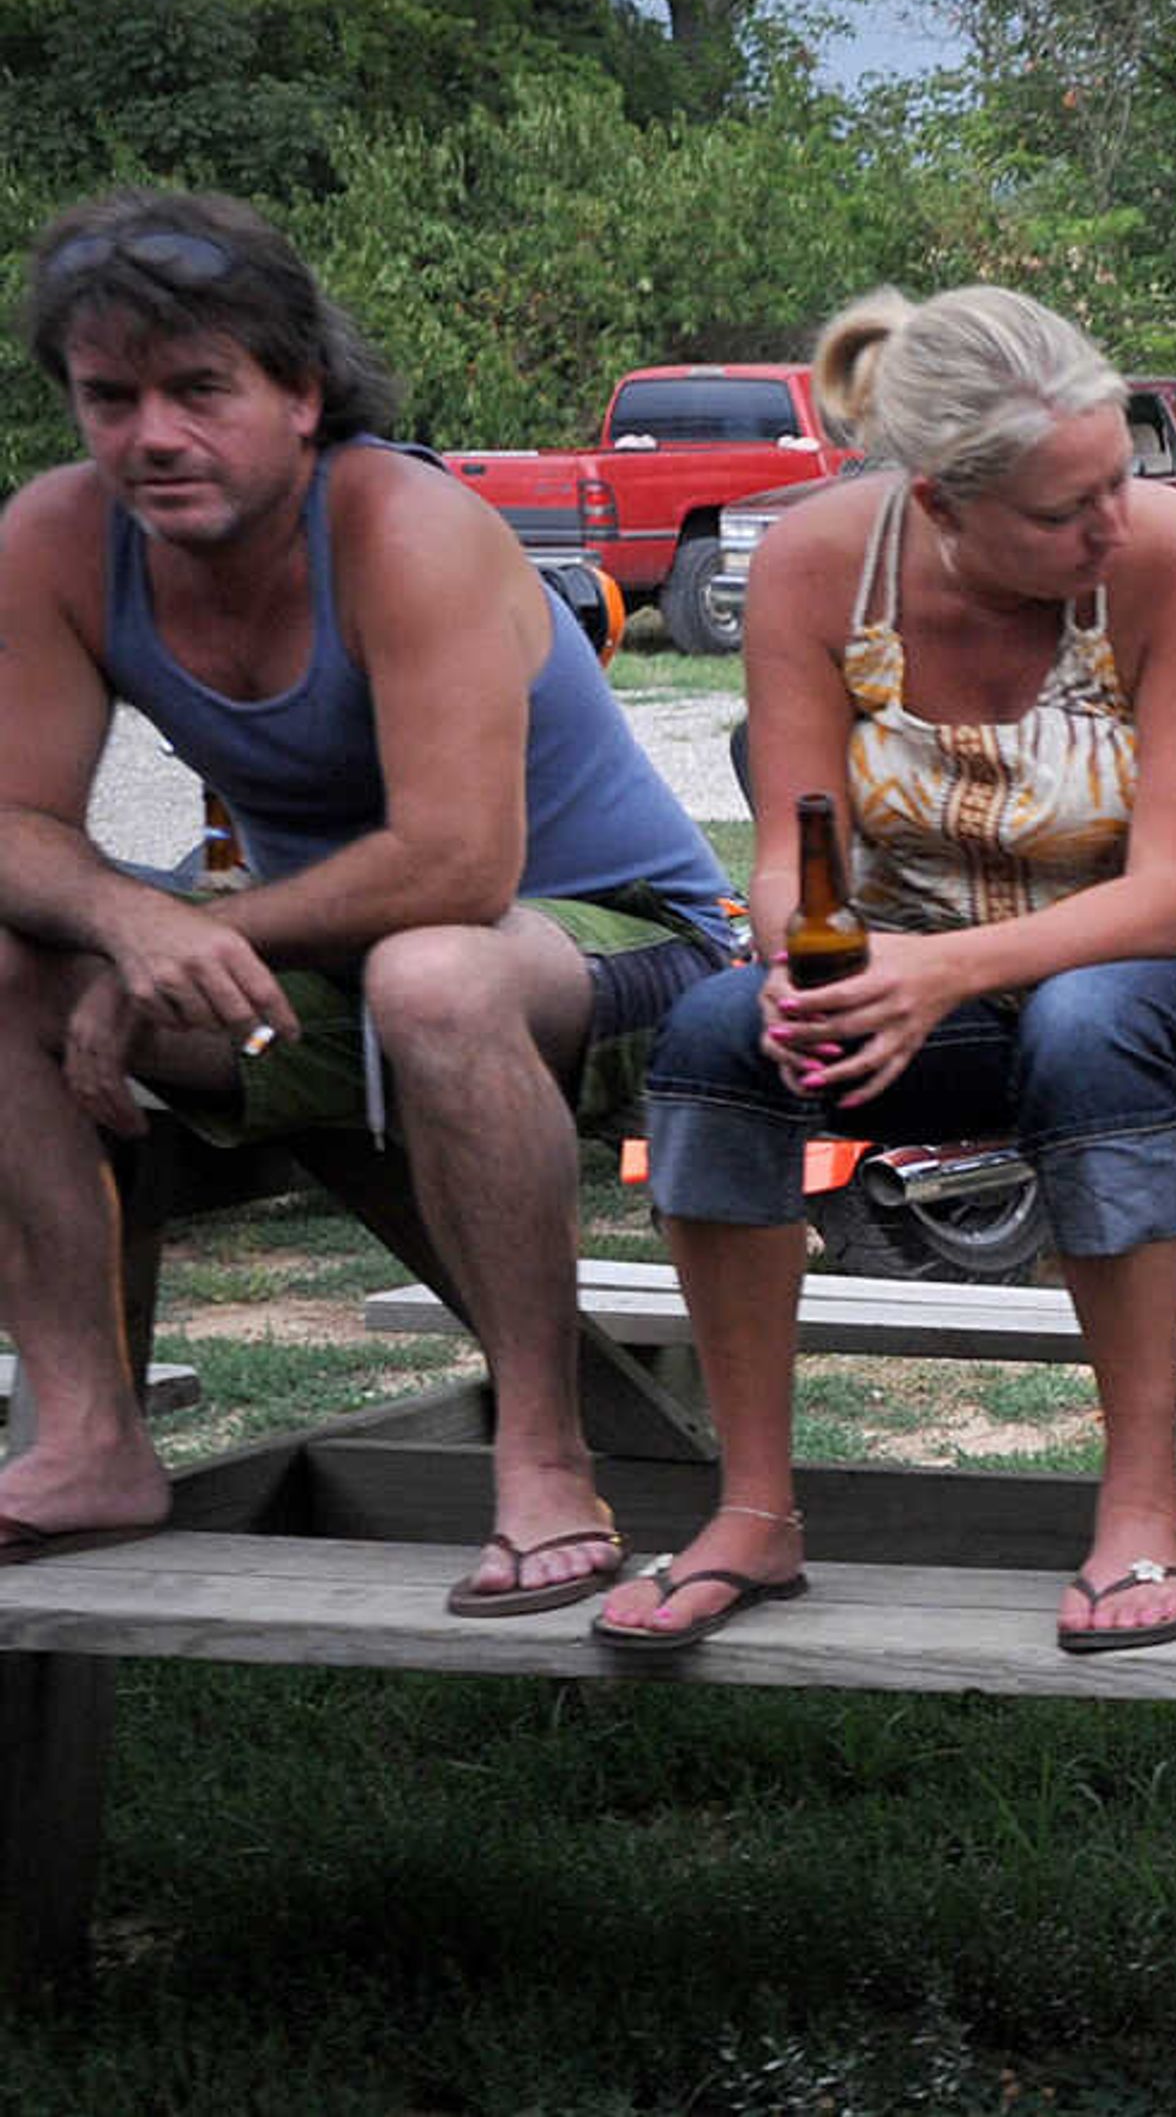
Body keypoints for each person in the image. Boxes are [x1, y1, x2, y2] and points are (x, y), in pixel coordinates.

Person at [0, 191, 738, 1605]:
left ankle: (543, 1457)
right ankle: (91, 1431)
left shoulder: (405, 523)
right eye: (110, 397)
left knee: (436, 972)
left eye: (200, 389)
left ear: (301, 390)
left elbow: (457, 867)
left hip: (632, 942)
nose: (153, 434)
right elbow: (15, 821)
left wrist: (184, 929)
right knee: (16, 963)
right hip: (336, 966)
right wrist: (124, 920)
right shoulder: (57, 540)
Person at [591, 285, 1176, 1656]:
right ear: (938, 502)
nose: (1114, 522)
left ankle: (1146, 1504)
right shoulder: (819, 567)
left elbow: (1171, 899)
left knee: (1089, 1017)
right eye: (1066, 511)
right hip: (937, 973)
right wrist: (805, 961)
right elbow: (791, 850)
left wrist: (933, 972)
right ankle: (754, 1510)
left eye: (1124, 477)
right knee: (711, 1032)